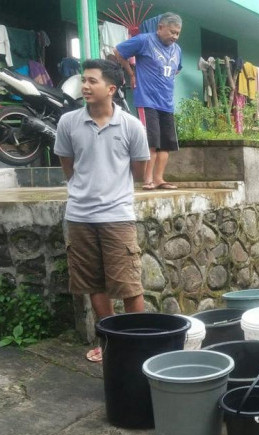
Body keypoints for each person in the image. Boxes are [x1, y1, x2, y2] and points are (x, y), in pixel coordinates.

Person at [54, 59, 150, 362]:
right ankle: (109, 344)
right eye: (84, 80)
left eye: (92, 81)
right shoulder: (68, 122)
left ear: (111, 88)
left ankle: (138, 343)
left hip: (117, 217)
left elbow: (138, 170)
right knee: (94, 284)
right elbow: (68, 167)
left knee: (129, 285)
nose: (85, 86)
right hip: (80, 217)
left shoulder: (132, 126)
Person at [114, 12, 182, 191]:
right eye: (171, 32)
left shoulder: (177, 50)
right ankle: (148, 180)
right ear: (160, 28)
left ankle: (159, 179)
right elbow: (118, 51)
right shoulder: (144, 40)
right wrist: (131, 74)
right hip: (147, 100)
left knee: (166, 144)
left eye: (177, 33)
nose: (174, 36)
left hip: (167, 102)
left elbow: (177, 69)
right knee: (152, 142)